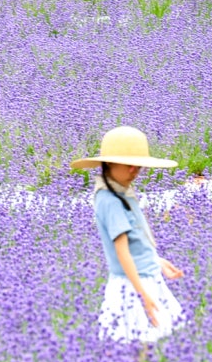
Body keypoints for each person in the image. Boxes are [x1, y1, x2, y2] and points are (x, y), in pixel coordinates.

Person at [71, 126, 186, 345]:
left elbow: (135, 242)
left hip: (145, 277)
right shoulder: (111, 201)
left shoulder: (122, 192)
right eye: (129, 165)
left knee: (147, 343)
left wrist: (157, 261)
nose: (135, 171)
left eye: (138, 166)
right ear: (109, 164)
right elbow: (122, 252)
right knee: (137, 343)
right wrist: (142, 295)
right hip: (132, 284)